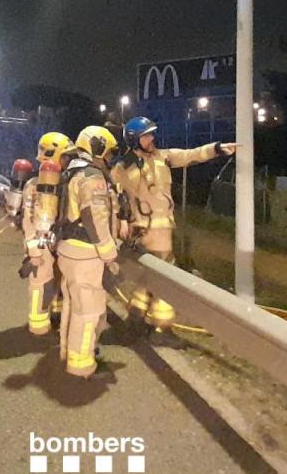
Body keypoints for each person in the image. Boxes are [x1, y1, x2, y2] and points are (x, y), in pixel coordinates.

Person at [110, 116, 236, 346]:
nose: (152, 139)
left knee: (151, 276)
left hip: (162, 226)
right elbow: (113, 196)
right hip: (148, 228)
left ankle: (135, 320)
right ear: (134, 139)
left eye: (151, 134)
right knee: (165, 279)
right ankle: (162, 330)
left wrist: (217, 149)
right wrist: (121, 223)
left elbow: (190, 155)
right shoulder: (123, 167)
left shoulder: (162, 157)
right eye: (146, 136)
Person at [55, 126, 120, 380]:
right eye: (108, 152)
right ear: (98, 146)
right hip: (86, 253)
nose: (109, 158)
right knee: (89, 311)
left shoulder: (71, 171)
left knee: (73, 306)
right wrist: (108, 251)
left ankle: (68, 352)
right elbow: (95, 215)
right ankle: (81, 364)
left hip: (69, 251)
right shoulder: (92, 176)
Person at [20, 132, 75, 335]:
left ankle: (56, 315)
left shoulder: (66, 181)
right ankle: (38, 324)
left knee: (59, 279)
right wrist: (33, 247)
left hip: (57, 240)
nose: (67, 160)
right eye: (64, 155)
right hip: (40, 242)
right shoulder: (33, 185)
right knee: (41, 281)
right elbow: (27, 218)